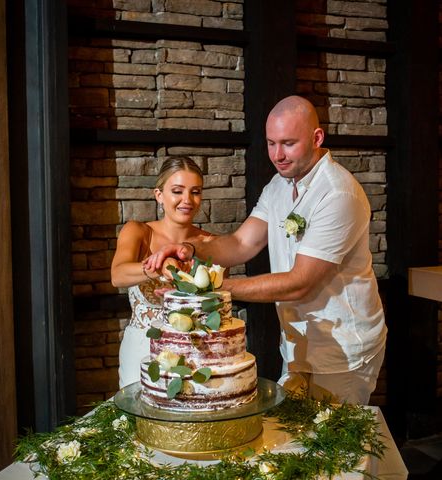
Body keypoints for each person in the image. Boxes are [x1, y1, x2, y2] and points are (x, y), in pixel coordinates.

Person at [145, 95, 387, 404]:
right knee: (300, 440)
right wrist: (190, 249)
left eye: (288, 143)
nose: (278, 155)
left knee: (336, 444)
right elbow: (241, 243)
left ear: (317, 138)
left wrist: (209, 289)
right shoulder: (278, 185)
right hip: (298, 344)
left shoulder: (337, 193)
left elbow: (301, 282)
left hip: (342, 348)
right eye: (271, 143)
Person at [111, 156, 214, 388]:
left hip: (195, 353)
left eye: (195, 192)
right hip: (141, 349)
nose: (187, 200)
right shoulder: (138, 231)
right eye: (177, 191)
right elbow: (117, 275)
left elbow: (214, 306)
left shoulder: (210, 243)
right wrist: (162, 267)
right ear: (159, 195)